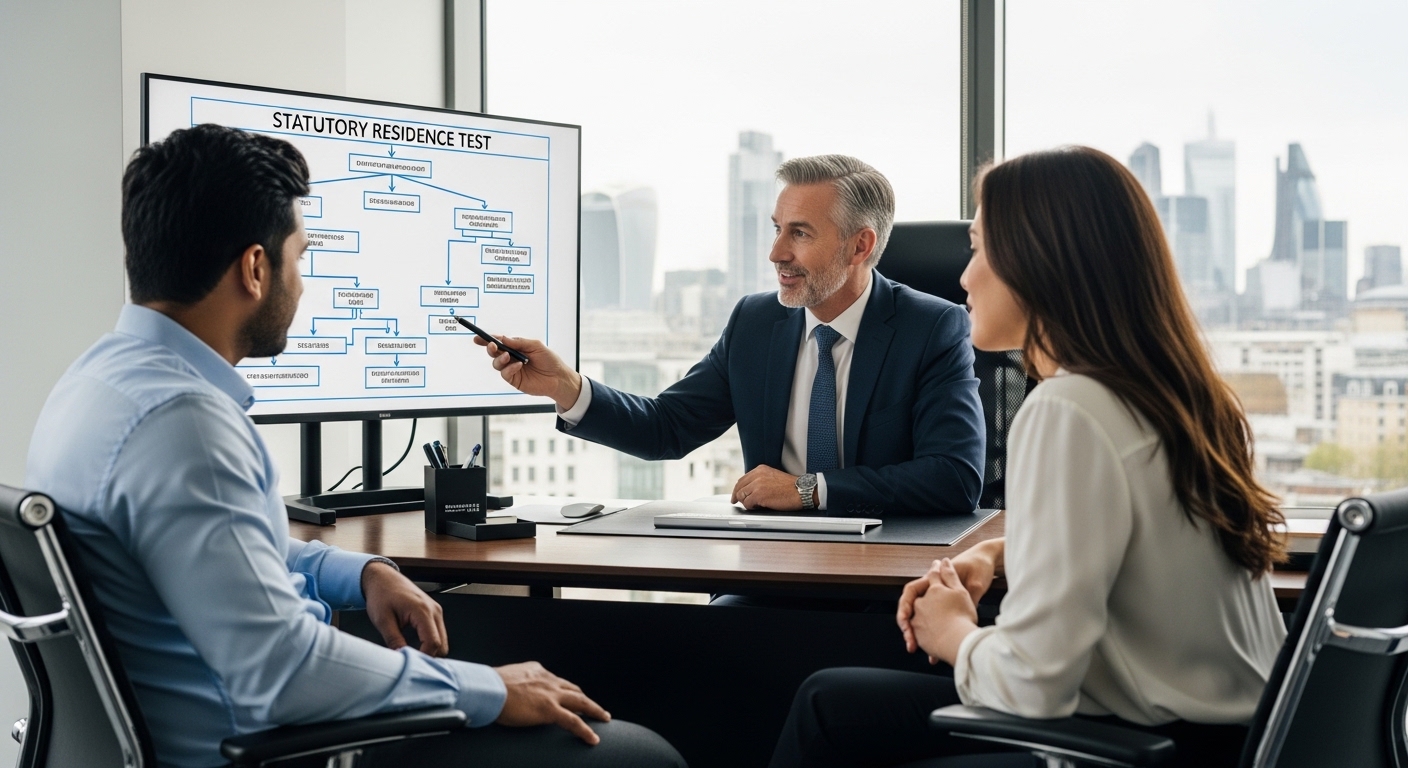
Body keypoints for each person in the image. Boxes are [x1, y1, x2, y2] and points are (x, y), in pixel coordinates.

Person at [25, 124, 684, 768]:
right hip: (268, 746)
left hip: (178, 736)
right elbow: (283, 671)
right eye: (300, 257)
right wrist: (491, 690)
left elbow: (216, 554)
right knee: (641, 756)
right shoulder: (187, 424)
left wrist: (357, 571)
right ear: (256, 267)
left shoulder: (94, 385)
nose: (302, 283)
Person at [768, 146, 1289, 768]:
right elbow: (1142, 542)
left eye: (980, 248)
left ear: (1041, 263)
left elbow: (1031, 684)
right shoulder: (1177, 396)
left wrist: (953, 633)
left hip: (1136, 747)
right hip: (1238, 738)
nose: (964, 277)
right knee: (833, 702)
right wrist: (1003, 550)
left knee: (830, 711)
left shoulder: (1069, 408)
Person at [476, 155, 985, 519]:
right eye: (776, 228)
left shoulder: (932, 327)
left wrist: (808, 491)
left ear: (860, 245)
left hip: (885, 577)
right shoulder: (755, 323)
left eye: (800, 233)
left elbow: (953, 477)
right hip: (771, 567)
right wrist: (566, 386)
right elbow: (667, 427)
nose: (776, 253)